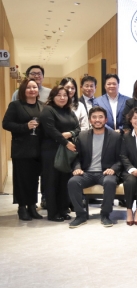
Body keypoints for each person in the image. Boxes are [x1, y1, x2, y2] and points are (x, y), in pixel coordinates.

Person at [67, 107, 122, 228]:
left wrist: (113, 169)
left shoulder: (115, 136)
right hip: (86, 173)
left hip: (105, 172)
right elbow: (76, 157)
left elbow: (120, 158)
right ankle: (80, 215)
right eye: (94, 117)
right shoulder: (82, 136)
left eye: (101, 117)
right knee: (73, 182)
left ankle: (105, 215)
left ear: (106, 119)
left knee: (110, 182)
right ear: (90, 120)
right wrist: (77, 167)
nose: (97, 120)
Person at [2, 79, 44, 221]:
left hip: (38, 149)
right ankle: (21, 207)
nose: (32, 90)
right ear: (23, 90)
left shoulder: (42, 106)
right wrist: (24, 127)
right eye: (28, 87)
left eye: (34, 87)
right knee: (21, 180)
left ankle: (32, 206)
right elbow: (6, 124)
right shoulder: (16, 105)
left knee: (34, 180)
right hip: (22, 148)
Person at [40, 86, 80, 222]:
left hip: (66, 153)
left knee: (64, 181)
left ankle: (63, 209)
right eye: (59, 95)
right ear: (52, 96)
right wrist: (66, 142)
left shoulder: (69, 111)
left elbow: (78, 128)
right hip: (51, 151)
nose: (62, 98)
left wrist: (71, 134)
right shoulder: (48, 110)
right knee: (52, 182)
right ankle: (53, 213)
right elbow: (51, 130)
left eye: (65, 95)